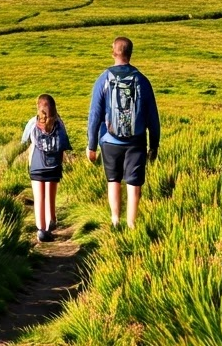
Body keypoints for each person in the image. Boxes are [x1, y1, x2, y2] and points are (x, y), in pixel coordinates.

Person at [85, 36, 160, 229]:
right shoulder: (142, 80)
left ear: (113, 52)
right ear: (130, 53)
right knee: (134, 184)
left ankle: (115, 220)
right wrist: (154, 145)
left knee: (113, 180)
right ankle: (132, 224)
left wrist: (91, 145)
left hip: (110, 141)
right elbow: (153, 116)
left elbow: (95, 114)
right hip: (136, 141)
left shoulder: (103, 79)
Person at [21, 94, 71, 242]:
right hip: (54, 164)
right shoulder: (59, 122)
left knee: (39, 198)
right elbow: (64, 143)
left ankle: (41, 230)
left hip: (37, 164)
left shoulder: (33, 122)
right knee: (51, 195)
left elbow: (24, 140)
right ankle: (51, 221)